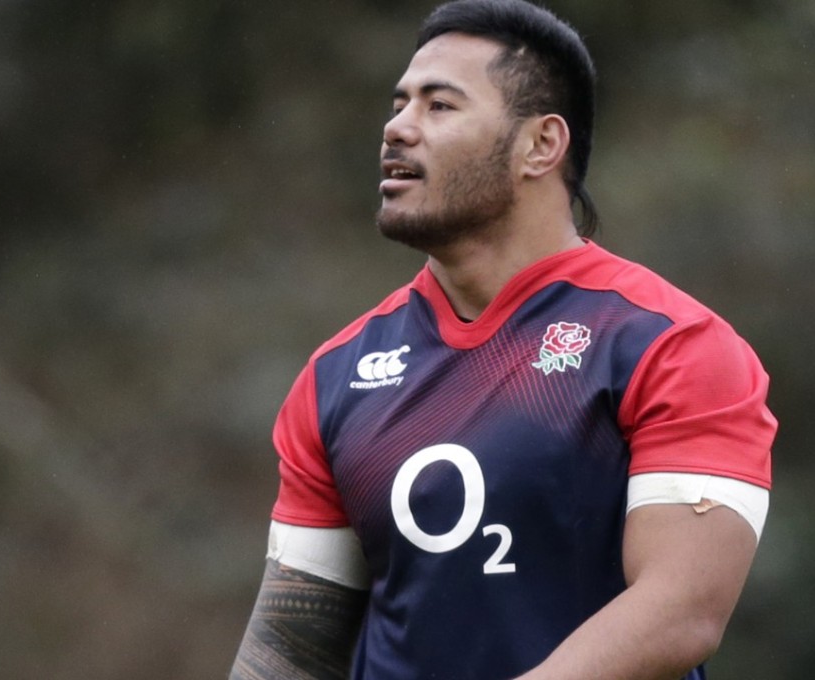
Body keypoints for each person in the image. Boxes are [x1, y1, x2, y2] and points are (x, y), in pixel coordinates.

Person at [230, 0, 776, 678]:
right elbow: (289, 648)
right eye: (399, 103)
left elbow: (681, 612)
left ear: (541, 145)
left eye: (440, 106)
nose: (397, 128)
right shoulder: (338, 375)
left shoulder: (669, 346)